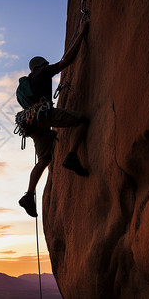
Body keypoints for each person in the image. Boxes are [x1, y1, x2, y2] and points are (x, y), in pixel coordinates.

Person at [19, 15, 90, 218]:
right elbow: (66, 60)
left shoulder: (28, 83)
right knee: (82, 120)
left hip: (33, 125)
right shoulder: (43, 73)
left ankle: (28, 194)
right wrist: (81, 34)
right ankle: (72, 157)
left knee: (44, 159)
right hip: (45, 117)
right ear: (41, 65)